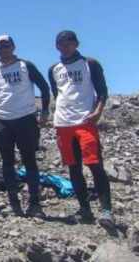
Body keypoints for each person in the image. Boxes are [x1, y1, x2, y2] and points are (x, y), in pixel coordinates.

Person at [48, 30, 114, 227]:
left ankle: (107, 210)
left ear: (76, 43)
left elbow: (102, 91)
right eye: (61, 43)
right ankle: (84, 208)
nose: (65, 46)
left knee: (95, 165)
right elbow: (56, 94)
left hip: (85, 122)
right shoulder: (54, 69)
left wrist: (97, 113)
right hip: (63, 124)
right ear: (56, 46)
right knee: (74, 168)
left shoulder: (90, 63)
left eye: (68, 42)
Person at [0, 35, 50, 218]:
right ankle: (14, 204)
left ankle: (35, 204)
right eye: (0, 47)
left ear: (13, 46)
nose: (3, 49)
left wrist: (44, 112)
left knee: (30, 161)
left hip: (25, 118)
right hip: (1, 120)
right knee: (7, 163)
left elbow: (44, 87)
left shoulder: (26, 66)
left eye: (6, 45)